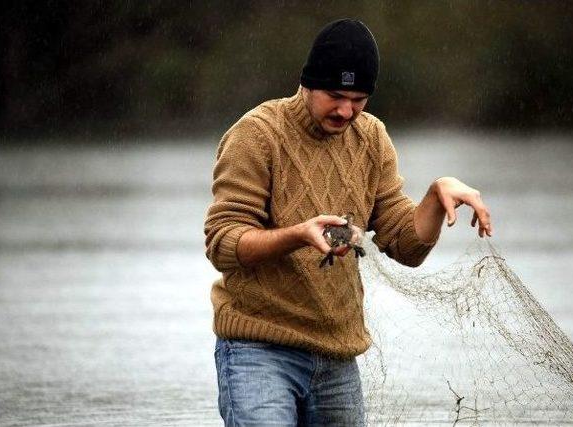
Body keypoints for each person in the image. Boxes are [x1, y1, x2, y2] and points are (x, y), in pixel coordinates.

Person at [204, 18, 492, 426]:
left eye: (358, 99)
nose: (345, 111)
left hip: (337, 355)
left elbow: (405, 246)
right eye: (335, 96)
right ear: (306, 84)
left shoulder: (372, 138)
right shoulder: (257, 135)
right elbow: (222, 243)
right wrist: (298, 235)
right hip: (257, 349)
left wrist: (434, 195)